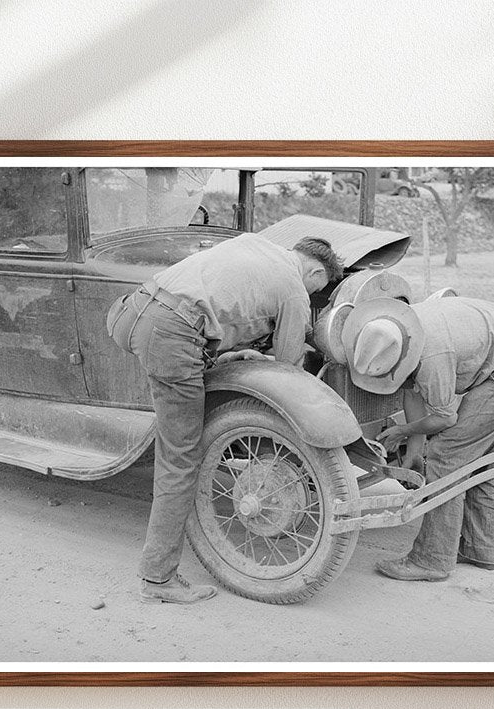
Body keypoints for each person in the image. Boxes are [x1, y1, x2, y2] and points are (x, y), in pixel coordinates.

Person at [106, 233, 344, 605]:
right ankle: (157, 579)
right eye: (319, 287)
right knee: (180, 459)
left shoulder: (256, 244)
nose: (314, 293)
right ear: (315, 272)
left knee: (182, 400)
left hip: (133, 310)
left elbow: (220, 298)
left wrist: (219, 357)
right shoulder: (294, 288)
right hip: (172, 333)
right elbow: (288, 372)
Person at [342, 292, 494, 582]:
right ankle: (481, 550)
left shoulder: (432, 356)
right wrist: (414, 451)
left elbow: (445, 418)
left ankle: (432, 560)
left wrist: (403, 431)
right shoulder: (400, 329)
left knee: (447, 455)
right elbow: (412, 392)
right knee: (483, 459)